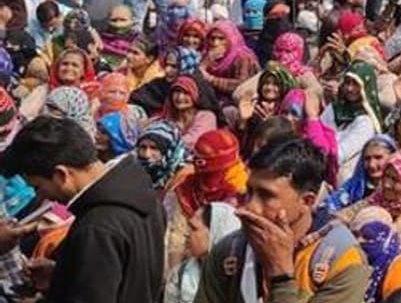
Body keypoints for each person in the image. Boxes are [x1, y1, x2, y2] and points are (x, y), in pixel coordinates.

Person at [0, 115, 165, 303]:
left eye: (38, 187)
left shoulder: (97, 228)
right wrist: (63, 274)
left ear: (62, 174)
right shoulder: (140, 192)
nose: (42, 197)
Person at [194, 136, 372, 302]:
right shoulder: (230, 251)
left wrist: (280, 277)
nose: (250, 207)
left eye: (266, 195)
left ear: (306, 201)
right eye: (249, 192)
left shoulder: (341, 261)